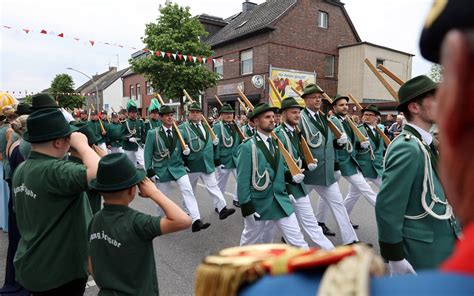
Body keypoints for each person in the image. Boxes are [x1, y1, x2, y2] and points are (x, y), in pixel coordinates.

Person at [376, 75, 459, 274]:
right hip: (422, 251)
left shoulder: (424, 143)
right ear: (414, 107)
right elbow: (388, 206)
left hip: (440, 242)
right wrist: (395, 256)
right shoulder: (408, 148)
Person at [12, 108, 100, 295]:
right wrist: (83, 145)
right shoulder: (55, 170)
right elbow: (100, 173)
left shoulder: (22, 168)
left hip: (32, 263)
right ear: (59, 142)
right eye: (68, 138)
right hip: (59, 272)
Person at [88, 153, 191, 295]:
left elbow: (90, 262)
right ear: (132, 190)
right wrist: (155, 192)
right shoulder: (137, 222)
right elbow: (183, 220)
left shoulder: (95, 219)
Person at [237, 102, 308, 248]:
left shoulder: (275, 143)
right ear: (256, 121)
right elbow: (242, 180)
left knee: (298, 240)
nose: (272, 120)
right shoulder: (247, 146)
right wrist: (246, 207)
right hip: (260, 204)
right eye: (267, 117)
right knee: (249, 241)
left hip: (281, 201)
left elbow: (280, 169)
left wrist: (291, 177)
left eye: (273, 117)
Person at [298, 84, 358, 244]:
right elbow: (295, 145)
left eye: (320, 97)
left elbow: (329, 143)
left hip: (326, 172)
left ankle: (351, 240)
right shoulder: (300, 119)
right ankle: (289, 234)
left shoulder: (323, 117)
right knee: (295, 205)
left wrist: (338, 143)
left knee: (338, 204)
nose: (318, 100)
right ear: (305, 100)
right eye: (314, 97)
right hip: (308, 174)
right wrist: (302, 165)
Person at [272, 97, 334, 250]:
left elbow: (297, 157)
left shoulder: (296, 132)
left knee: (311, 224)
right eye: (294, 113)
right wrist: (287, 177)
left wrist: (308, 163)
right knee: (262, 230)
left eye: (299, 112)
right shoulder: (277, 134)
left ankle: (332, 255)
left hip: (298, 186)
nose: (298, 115)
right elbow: (275, 164)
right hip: (283, 190)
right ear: (284, 114)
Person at [144, 105, 212, 232]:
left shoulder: (179, 132)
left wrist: (186, 153)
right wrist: (149, 170)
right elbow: (147, 154)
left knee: (188, 191)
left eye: (172, 115)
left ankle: (196, 220)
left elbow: (184, 148)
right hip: (162, 169)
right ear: (160, 117)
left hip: (178, 167)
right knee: (163, 198)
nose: (170, 117)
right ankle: (158, 220)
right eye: (167, 115)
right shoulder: (153, 133)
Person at [317, 95, 378, 227]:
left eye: (346, 105)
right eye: (341, 105)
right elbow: (329, 145)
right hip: (341, 163)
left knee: (327, 195)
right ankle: (388, 210)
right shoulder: (332, 121)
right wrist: (336, 163)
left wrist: (359, 145)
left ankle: (320, 222)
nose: (345, 107)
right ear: (334, 108)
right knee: (365, 189)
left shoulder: (347, 121)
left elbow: (350, 143)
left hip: (349, 161)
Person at [179, 102, 235, 220]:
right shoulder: (183, 128)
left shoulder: (206, 127)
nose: (195, 114)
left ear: (201, 114)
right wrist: (182, 162)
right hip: (192, 164)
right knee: (190, 190)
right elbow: (179, 147)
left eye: (197, 112)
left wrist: (215, 148)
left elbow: (208, 145)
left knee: (213, 186)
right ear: (189, 114)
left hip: (206, 163)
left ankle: (222, 208)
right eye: (192, 112)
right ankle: (187, 210)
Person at [212, 103, 241, 208]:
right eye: (226, 113)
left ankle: (237, 199)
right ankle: (218, 205)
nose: (229, 115)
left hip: (235, 159)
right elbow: (215, 145)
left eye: (231, 113)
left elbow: (238, 142)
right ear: (221, 115)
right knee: (221, 184)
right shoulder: (217, 126)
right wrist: (217, 161)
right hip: (224, 160)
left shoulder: (236, 126)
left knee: (241, 180)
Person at [121, 99, 145, 168]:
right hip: (128, 146)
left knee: (143, 162)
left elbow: (143, 134)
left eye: (135, 112)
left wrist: (143, 143)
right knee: (131, 164)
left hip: (138, 145)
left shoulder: (140, 122)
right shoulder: (125, 123)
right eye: (132, 112)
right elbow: (121, 135)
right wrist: (128, 139)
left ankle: (150, 177)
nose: (134, 114)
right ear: (128, 113)